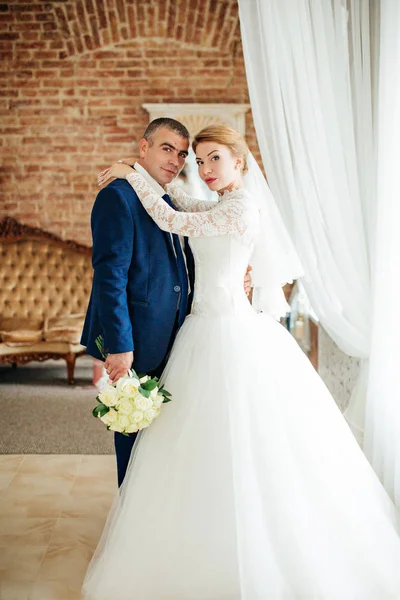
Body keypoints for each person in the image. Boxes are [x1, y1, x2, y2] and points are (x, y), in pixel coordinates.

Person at [83, 125, 400, 600]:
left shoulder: (242, 208)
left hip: (228, 333)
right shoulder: (220, 204)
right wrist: (137, 174)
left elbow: (172, 221)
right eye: (200, 162)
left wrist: (132, 172)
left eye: (214, 160)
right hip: (201, 329)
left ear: (240, 162)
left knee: (243, 445)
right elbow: (180, 207)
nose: (205, 171)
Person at [81, 117, 251, 487]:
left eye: (184, 155)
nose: (179, 161)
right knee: (133, 429)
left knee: (172, 433)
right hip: (139, 337)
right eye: (166, 149)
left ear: (238, 161)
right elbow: (110, 276)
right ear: (143, 147)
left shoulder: (182, 200)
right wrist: (119, 344)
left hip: (184, 333)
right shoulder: (118, 195)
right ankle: (132, 509)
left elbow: (176, 223)